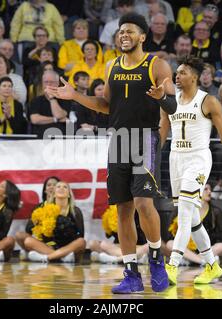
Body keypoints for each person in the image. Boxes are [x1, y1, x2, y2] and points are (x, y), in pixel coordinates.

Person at [46, 12, 173, 294]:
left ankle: (155, 258)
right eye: (120, 32)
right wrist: (75, 97)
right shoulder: (112, 66)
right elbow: (107, 106)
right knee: (123, 210)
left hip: (145, 138)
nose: (123, 35)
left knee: (143, 203)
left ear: (142, 36)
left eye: (129, 31)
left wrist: (162, 101)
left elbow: (172, 104)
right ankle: (131, 274)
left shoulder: (157, 65)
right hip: (118, 140)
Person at [159, 55, 222, 286]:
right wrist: (150, 161)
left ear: (195, 77)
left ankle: (172, 266)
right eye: (176, 72)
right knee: (191, 219)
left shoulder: (208, 101)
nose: (177, 76)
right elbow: (162, 132)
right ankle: (212, 265)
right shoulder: (170, 100)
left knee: (185, 213)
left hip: (198, 159)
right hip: (175, 158)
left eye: (182, 72)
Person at [165, 184, 222, 265]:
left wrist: (204, 236)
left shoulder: (215, 211)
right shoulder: (180, 209)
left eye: (210, 189)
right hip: (186, 249)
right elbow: (170, 233)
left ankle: (191, 260)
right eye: (206, 189)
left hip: (205, 248)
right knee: (170, 244)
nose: (209, 191)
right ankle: (202, 261)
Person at [24, 181, 86, 263]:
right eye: (58, 187)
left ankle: (47, 258)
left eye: (65, 187)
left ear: (69, 194)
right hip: (51, 247)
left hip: (69, 247)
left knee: (81, 242)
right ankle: (62, 258)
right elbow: (42, 235)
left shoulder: (76, 211)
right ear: (54, 194)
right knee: (28, 241)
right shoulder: (46, 209)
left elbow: (81, 234)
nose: (61, 188)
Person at [15, 176, 60, 259]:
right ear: (45, 190)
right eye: (49, 185)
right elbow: (28, 229)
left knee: (29, 242)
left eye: (55, 185)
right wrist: (37, 221)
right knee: (19, 235)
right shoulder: (39, 207)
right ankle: (39, 253)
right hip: (40, 243)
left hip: (57, 243)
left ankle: (54, 255)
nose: (52, 187)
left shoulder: (62, 205)